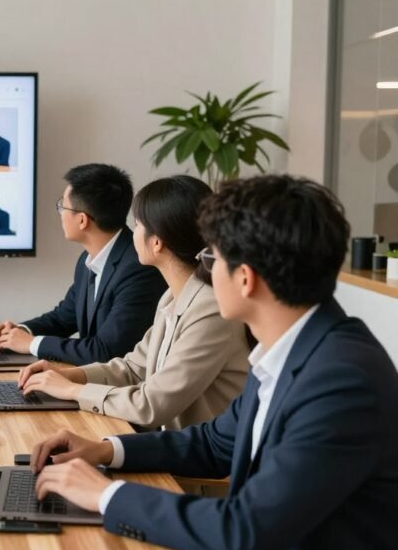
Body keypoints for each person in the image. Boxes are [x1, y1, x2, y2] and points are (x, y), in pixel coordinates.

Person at [29, 175, 398, 550]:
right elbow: (214, 443)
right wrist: (105, 450)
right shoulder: (291, 348)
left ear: (245, 278)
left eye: (211, 259)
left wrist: (107, 495)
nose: (204, 272)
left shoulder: (341, 382)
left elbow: (245, 529)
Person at [18, 176, 248, 430]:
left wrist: (73, 391)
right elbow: (133, 369)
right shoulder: (172, 297)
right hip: (169, 447)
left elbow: (151, 405)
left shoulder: (210, 309)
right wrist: (72, 375)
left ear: (157, 242)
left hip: (196, 463)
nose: (131, 234)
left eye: (136, 225)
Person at [0, 163, 166, 365]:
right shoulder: (87, 260)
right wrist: (19, 331)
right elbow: (63, 318)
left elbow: (105, 351)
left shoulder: (138, 269)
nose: (61, 214)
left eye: (62, 206)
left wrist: (31, 344)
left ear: (82, 220)